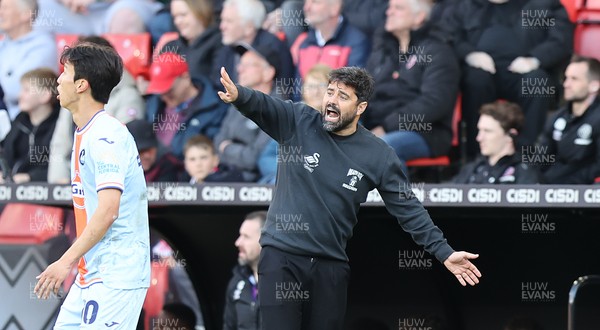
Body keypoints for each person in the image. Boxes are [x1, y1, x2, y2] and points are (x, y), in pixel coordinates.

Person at [218, 66, 482, 330]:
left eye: (343, 96)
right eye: (329, 92)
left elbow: (409, 209)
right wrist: (239, 95)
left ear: (360, 107)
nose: (332, 99)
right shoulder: (298, 121)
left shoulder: (379, 154)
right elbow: (263, 105)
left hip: (330, 267)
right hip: (281, 258)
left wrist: (444, 252)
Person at [34, 43, 150, 329]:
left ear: (82, 85)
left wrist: (65, 261)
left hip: (117, 275)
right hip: (92, 272)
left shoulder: (105, 136)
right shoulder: (84, 131)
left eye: (65, 73)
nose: (58, 79)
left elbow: (109, 210)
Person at [442, 0, 574, 157]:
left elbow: (561, 40)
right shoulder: (463, 6)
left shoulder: (543, 4)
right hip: (482, 72)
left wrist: (534, 59)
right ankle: (477, 158)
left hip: (525, 70)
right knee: (475, 81)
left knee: (537, 82)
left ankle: (526, 159)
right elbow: (447, 37)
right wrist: (470, 54)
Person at [365, 0, 459, 167]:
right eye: (390, 7)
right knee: (334, 135)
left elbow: (434, 102)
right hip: (376, 126)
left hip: (425, 132)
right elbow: (364, 91)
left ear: (419, 17)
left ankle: (397, 194)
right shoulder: (383, 50)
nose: (389, 12)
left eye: (398, 8)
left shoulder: (438, 51)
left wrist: (386, 126)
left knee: (384, 148)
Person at [47, 35, 146, 184]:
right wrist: (58, 184)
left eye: (66, 72)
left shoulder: (110, 132)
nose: (59, 79)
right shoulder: (71, 98)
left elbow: (109, 201)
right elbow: (61, 144)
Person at [214, 44, 279, 182]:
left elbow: (254, 158)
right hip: (227, 177)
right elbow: (217, 142)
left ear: (268, 73)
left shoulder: (277, 107)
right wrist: (233, 150)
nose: (239, 69)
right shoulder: (237, 102)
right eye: (240, 64)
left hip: (256, 186)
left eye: (248, 65)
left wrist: (226, 148)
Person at [146, 51, 227, 158]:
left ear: (185, 77)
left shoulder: (214, 107)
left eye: (169, 91)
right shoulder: (154, 103)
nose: (164, 97)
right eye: (160, 92)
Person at [538, 55, 600, 184]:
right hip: (554, 189)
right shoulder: (557, 118)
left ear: (594, 86)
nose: (566, 84)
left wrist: (568, 184)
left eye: (574, 79)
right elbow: (542, 159)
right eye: (566, 78)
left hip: (587, 192)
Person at [211, 0, 294, 94]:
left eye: (229, 21)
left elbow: (283, 91)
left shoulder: (274, 47)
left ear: (249, 27)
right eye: (222, 20)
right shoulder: (225, 50)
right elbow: (218, 89)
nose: (222, 26)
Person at [452, 101, 542, 184]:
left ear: (510, 135)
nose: (479, 138)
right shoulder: (472, 169)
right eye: (479, 131)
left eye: (487, 131)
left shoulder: (524, 173)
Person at [0, 68, 60, 183]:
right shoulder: (18, 122)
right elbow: (5, 156)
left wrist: (29, 177)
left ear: (45, 96)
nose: (19, 95)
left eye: (26, 90)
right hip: (11, 191)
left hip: (45, 193)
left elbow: (62, 165)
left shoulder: (60, 125)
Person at [0, 0, 57, 119]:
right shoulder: (3, 43)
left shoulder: (43, 46)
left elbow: (16, 89)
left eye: (5, 8)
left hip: (21, 123)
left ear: (26, 14)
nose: (1, 12)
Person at [290, 0, 370, 80]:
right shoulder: (304, 43)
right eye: (306, 3)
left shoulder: (356, 42)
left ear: (335, 8)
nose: (306, 8)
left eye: (315, 2)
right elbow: (298, 89)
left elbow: (353, 87)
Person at [223, 211, 266, 330]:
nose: (238, 242)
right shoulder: (236, 282)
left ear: (265, 240)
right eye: (240, 235)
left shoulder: (286, 282)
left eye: (246, 237)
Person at [163, 0, 222, 80]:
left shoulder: (218, 43)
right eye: (175, 17)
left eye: (183, 15)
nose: (177, 21)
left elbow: (220, 84)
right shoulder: (170, 46)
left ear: (200, 12)